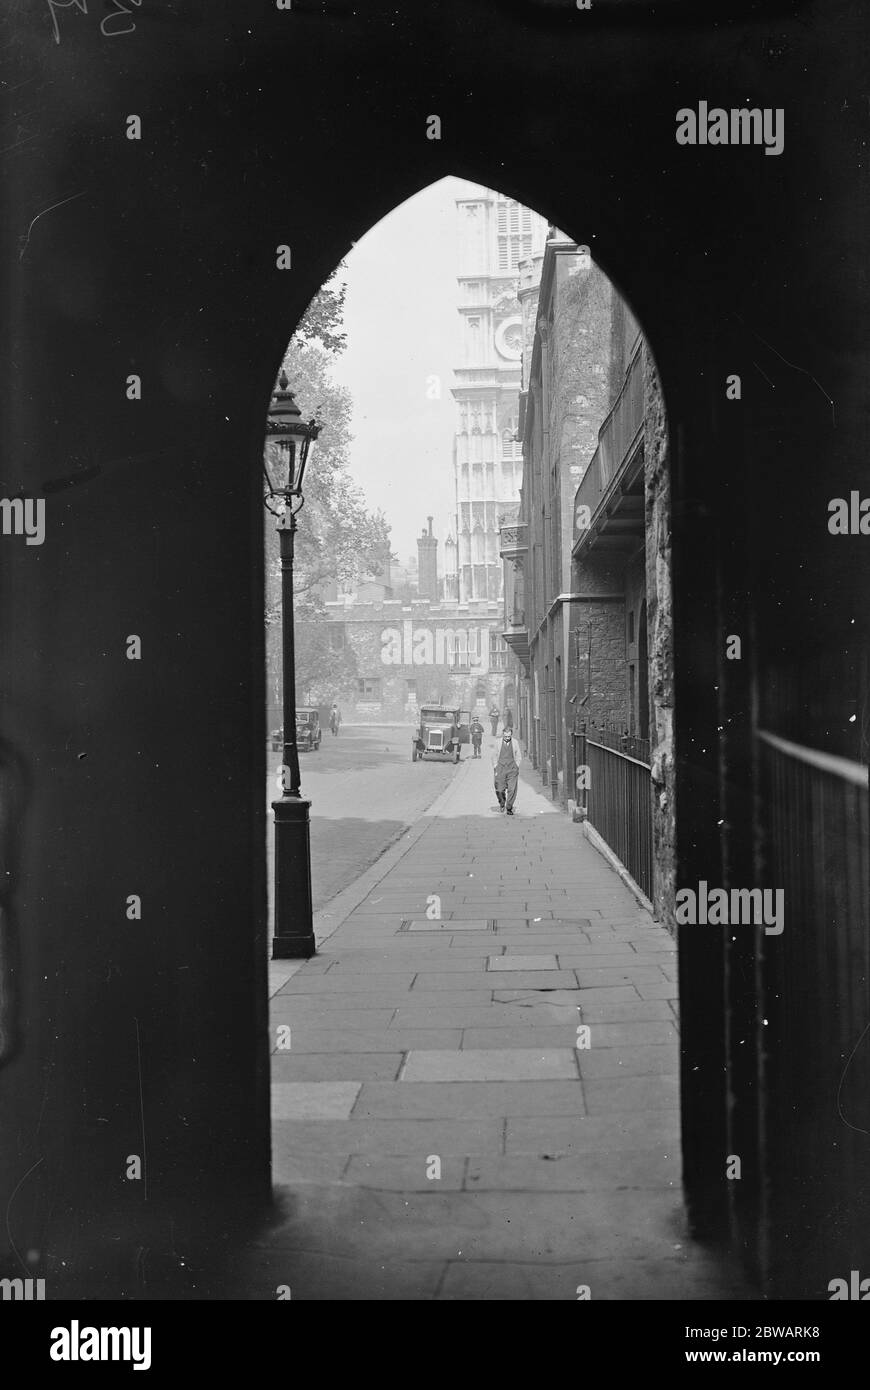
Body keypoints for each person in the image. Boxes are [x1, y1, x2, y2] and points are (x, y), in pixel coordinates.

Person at [492, 728, 521, 815]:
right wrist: (495, 766)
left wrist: (516, 766)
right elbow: (494, 755)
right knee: (500, 789)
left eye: (509, 736)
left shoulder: (515, 742)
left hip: (512, 769)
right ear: (503, 734)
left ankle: (509, 807)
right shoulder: (497, 742)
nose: (507, 738)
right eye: (505, 736)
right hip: (500, 768)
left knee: (512, 789)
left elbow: (518, 755)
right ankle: (502, 803)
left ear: (511, 735)